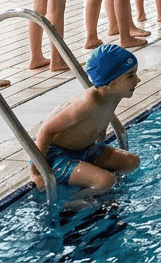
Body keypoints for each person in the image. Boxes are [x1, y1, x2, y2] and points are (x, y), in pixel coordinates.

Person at [31, 44, 141, 197]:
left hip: (83, 150)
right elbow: (46, 130)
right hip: (55, 156)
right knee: (105, 181)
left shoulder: (113, 96)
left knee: (132, 161)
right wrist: (37, 173)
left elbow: (100, 122)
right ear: (110, 82)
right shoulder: (87, 103)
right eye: (130, 76)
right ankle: (69, 204)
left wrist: (98, 154)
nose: (138, 79)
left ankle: (95, 190)